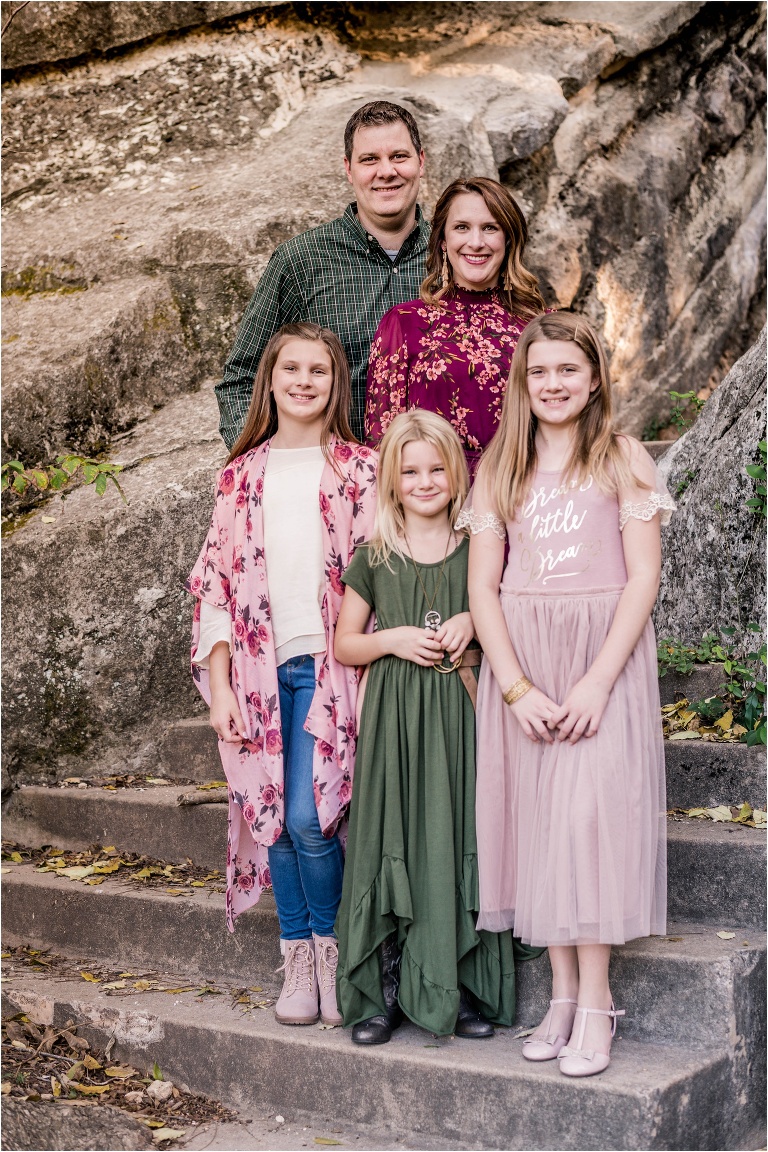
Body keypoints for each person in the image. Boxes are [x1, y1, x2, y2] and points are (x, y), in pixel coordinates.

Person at [465, 312, 673, 1077]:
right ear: (523, 381)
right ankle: (557, 997)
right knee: (540, 827)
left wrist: (595, 679)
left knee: (586, 823)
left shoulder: (623, 458)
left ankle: (596, 1002)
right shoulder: (501, 466)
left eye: (568, 371)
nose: (553, 385)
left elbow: (643, 576)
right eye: (540, 372)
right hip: (525, 662)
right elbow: (482, 586)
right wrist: (514, 686)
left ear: (593, 380)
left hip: (599, 662)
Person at [186, 322, 377, 1028]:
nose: (303, 380)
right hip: (262, 675)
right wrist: (221, 685)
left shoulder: (362, 469)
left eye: (318, 370)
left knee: (310, 817)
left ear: (336, 383)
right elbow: (213, 588)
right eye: (290, 368)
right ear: (269, 380)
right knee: (274, 822)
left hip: (335, 670)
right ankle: (297, 958)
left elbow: (381, 570)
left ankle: (332, 952)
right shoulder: (239, 477)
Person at [333, 409, 541, 1045]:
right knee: (393, 834)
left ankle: (464, 984)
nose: (425, 481)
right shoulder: (375, 556)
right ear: (392, 481)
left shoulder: (479, 545)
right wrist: (391, 638)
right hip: (396, 716)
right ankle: (383, 992)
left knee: (459, 836)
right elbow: (345, 644)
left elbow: (503, 604)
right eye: (410, 470)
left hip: (463, 711)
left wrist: (473, 623)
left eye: (437, 468)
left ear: (459, 472)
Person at [215, 100, 429, 448]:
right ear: (348, 169)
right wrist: (269, 468)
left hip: (436, 484)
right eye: (369, 159)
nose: (386, 171)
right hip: (334, 486)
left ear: (421, 161)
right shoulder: (301, 261)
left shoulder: (455, 257)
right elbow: (242, 380)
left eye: (399, 156)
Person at [365, 176, 545, 476]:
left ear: (509, 239)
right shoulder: (404, 323)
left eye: (490, 228)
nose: (476, 242)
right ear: (443, 241)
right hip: (433, 503)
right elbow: (382, 444)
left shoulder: (539, 325)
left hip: (520, 496)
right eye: (462, 227)